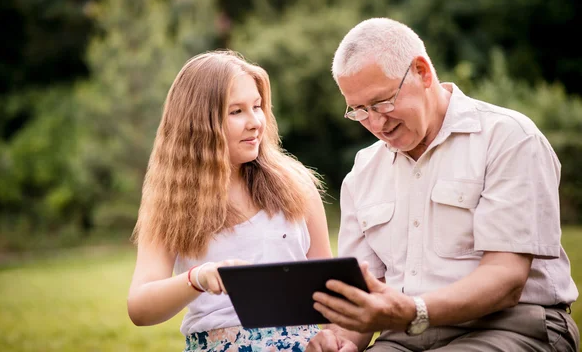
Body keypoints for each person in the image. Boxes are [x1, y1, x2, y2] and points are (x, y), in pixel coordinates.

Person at [306, 18, 580, 352]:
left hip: (515, 327)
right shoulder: (363, 171)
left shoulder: (508, 138)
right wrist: (340, 340)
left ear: (422, 72)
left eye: (382, 103)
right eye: (359, 110)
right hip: (404, 338)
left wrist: (412, 311)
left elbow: (506, 279)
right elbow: (364, 292)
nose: (376, 123)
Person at [127, 50, 333, 351]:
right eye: (236, 112)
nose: (255, 123)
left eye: (257, 107)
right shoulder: (174, 201)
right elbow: (140, 307)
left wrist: (333, 335)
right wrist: (198, 278)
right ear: (198, 123)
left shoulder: (296, 183)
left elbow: (331, 288)